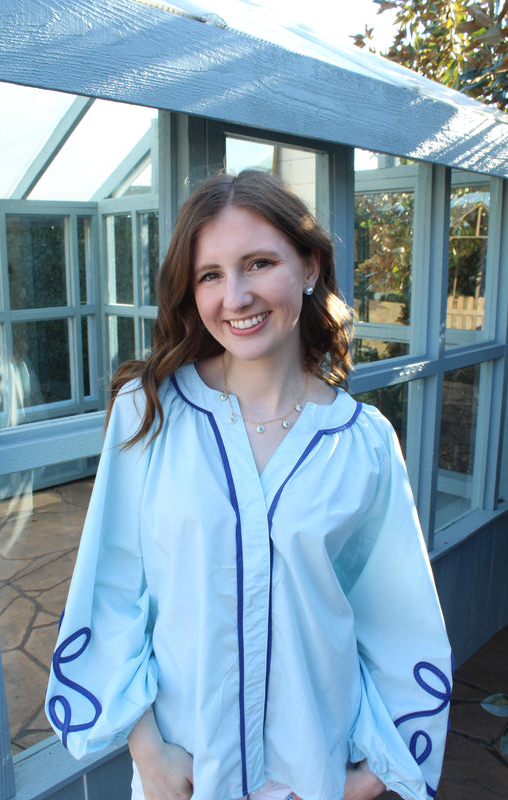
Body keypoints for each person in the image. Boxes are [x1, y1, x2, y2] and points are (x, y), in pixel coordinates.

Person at [46, 169, 452, 800]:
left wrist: (370, 779)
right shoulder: (148, 413)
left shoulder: (363, 442)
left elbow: (399, 621)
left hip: (315, 778)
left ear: (310, 266)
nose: (235, 297)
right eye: (210, 275)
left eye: (259, 263)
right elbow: (111, 591)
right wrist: (149, 753)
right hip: (184, 777)